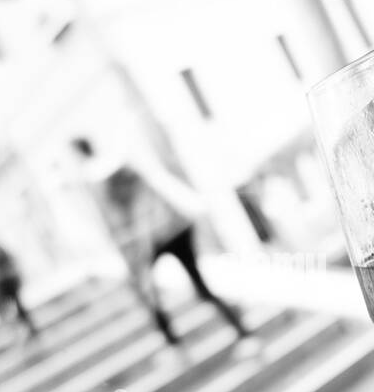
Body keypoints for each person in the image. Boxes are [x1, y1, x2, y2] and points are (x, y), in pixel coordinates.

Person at [73, 137, 252, 349]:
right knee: (198, 286)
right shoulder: (121, 163)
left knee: (149, 295)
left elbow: (116, 219)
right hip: (172, 227)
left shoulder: (95, 180)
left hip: (151, 237)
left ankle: (175, 344)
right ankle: (239, 329)